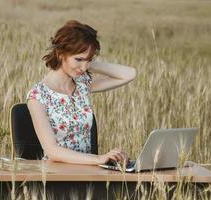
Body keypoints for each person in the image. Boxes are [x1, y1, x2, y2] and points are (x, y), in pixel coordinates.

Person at [26, 20, 136, 165]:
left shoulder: (82, 84)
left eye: (88, 60)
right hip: (56, 175)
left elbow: (129, 74)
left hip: (89, 170)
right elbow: (52, 151)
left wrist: (88, 62)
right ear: (60, 53)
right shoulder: (38, 96)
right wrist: (98, 159)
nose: (83, 68)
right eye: (78, 59)